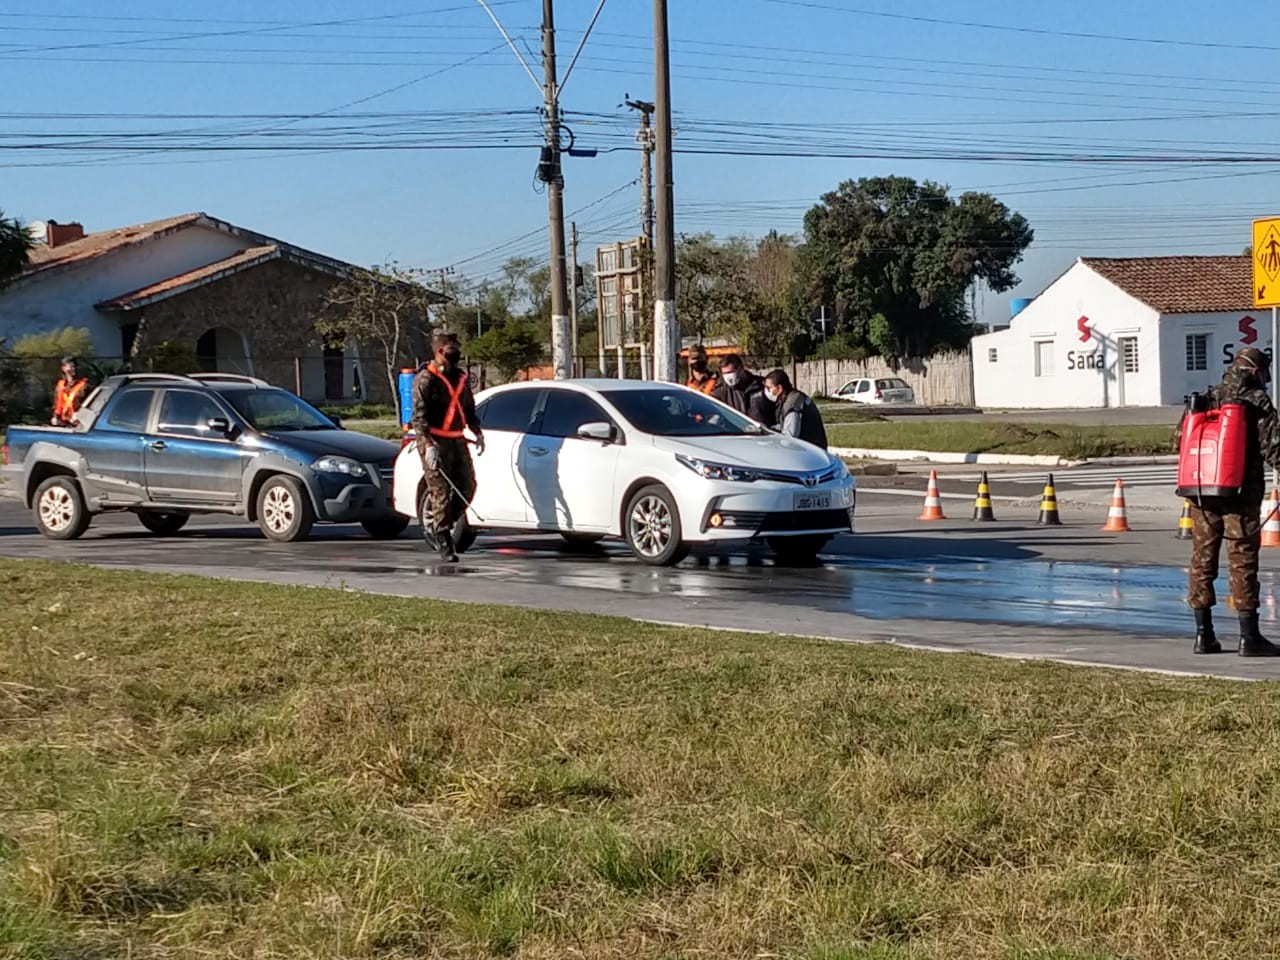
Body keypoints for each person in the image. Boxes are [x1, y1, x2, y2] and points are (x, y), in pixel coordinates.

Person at [1181, 346, 1280, 656]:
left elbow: (1179, 440)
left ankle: (1203, 635)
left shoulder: (1206, 397)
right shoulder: (1256, 401)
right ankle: (1249, 637)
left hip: (1202, 492)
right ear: (1255, 372)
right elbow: (1274, 448)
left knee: (1202, 560)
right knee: (1242, 561)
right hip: (1241, 494)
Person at [412, 332, 485, 562]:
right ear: (439, 351)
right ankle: (444, 541)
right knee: (441, 491)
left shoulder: (460, 378)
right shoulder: (426, 378)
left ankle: (442, 522)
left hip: (457, 439)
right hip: (434, 441)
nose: (455, 353)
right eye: (450, 349)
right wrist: (429, 445)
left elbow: (469, 409)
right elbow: (419, 417)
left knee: (466, 486)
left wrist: (477, 431)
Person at [764, 369, 828, 450]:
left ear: (779, 388)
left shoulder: (793, 404)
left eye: (769, 387)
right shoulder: (792, 398)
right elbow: (784, 425)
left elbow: (790, 437)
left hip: (810, 451)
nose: (767, 391)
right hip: (811, 449)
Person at [712, 353, 774, 425]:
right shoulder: (721, 392)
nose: (728, 377)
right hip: (738, 434)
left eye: (730, 372)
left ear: (741, 368)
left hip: (764, 432)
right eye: (724, 373)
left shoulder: (761, 385)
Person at [51, 356, 89, 427]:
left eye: (74, 367)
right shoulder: (60, 385)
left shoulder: (84, 385)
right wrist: (55, 416)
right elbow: (57, 403)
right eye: (71, 366)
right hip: (62, 423)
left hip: (79, 424)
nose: (73, 369)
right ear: (63, 369)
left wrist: (80, 415)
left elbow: (90, 405)